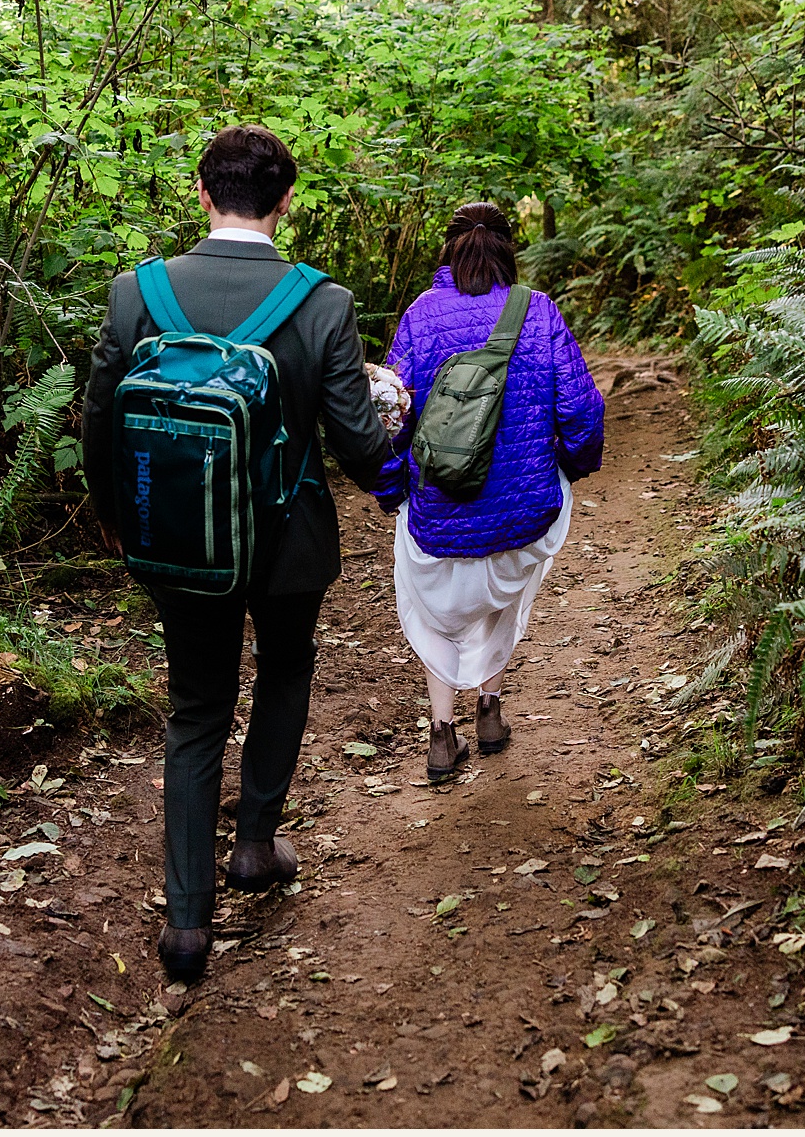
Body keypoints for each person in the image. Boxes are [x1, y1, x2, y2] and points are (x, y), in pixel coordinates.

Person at [82, 125, 393, 983]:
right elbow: (359, 446)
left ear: (200, 190)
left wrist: (116, 516)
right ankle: (254, 843)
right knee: (286, 667)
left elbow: (99, 416)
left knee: (196, 708)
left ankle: (186, 928)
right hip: (288, 542)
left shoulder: (136, 292)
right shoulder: (320, 301)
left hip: (180, 540)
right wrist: (395, 445)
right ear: (286, 199)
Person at [380, 203, 605, 780]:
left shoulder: (420, 317)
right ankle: (489, 710)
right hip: (522, 514)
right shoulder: (539, 311)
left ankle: (439, 733)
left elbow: (389, 414)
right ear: (509, 248)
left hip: (439, 513)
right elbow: (580, 412)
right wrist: (570, 469)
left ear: (448, 249)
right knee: (501, 596)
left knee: (436, 611)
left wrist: (392, 490)